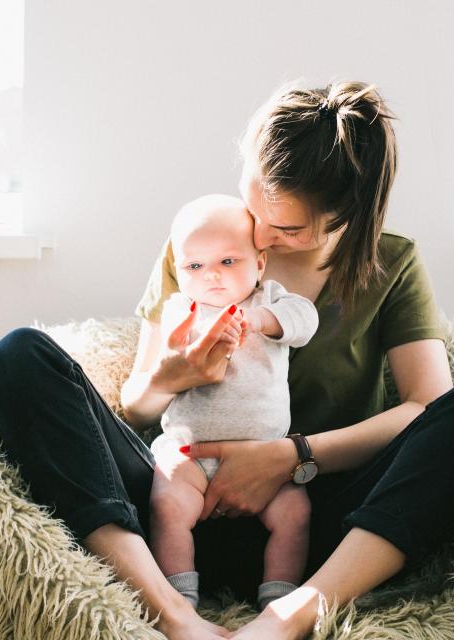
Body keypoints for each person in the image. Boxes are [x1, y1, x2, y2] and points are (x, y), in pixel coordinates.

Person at [0, 80, 454, 640]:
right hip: (174, 505)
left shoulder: (392, 264)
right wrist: (171, 377)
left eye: (287, 228)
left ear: (345, 216)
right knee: (17, 358)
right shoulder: (204, 243)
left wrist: (290, 458)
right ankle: (168, 610)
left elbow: (424, 407)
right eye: (254, 202)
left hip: (313, 524)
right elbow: (136, 411)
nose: (259, 235)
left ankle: (291, 616)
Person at [149, 194, 318, 613]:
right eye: (195, 266)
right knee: (166, 506)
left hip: (267, 457)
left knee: (295, 515)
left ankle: (277, 600)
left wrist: (261, 321)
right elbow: (168, 344)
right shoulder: (182, 308)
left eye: (228, 262)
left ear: (259, 263)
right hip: (191, 454)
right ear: (178, 270)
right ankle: (179, 598)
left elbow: (305, 320)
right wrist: (187, 334)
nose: (211, 277)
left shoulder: (269, 301)